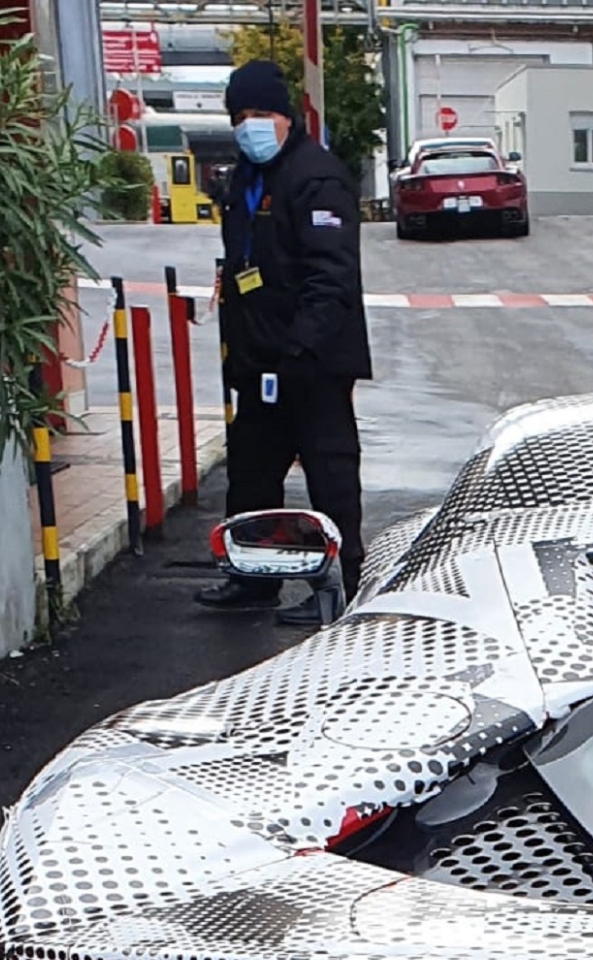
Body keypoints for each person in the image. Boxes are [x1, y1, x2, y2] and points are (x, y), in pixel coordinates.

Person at [195, 58, 371, 626]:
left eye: (262, 113)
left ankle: (345, 585)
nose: (251, 125)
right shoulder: (248, 177)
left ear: (287, 116)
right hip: (259, 362)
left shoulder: (315, 178)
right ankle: (252, 579)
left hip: (312, 362)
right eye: (241, 115)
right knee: (251, 472)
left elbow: (331, 277)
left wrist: (301, 349)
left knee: (330, 473)